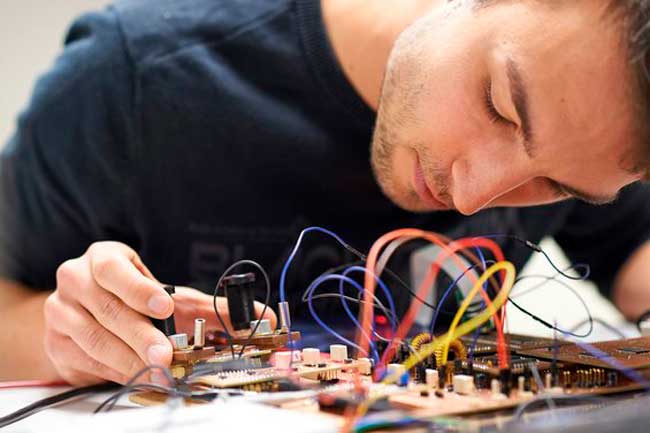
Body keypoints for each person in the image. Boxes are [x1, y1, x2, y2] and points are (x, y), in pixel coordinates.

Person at [1, 0, 650, 385]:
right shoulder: (130, 80)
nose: (476, 196)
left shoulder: (587, 108)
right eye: (501, 107)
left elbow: (637, 260)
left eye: (559, 185)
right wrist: (74, 337)